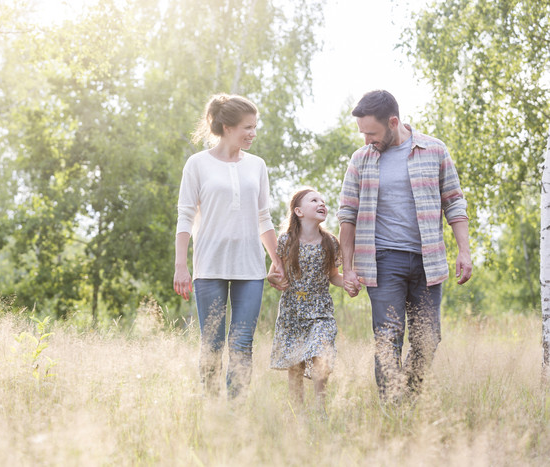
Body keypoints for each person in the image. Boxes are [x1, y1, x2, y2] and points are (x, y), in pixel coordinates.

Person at [337, 90, 472, 402]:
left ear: (393, 122)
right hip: (383, 261)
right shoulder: (361, 160)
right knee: (388, 336)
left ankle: (407, 397)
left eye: (371, 132)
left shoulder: (434, 150)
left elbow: (454, 202)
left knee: (429, 338)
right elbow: (348, 214)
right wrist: (348, 267)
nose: (366, 139)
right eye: (362, 132)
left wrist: (464, 250)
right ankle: (390, 409)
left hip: (429, 260)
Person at [174, 93, 284, 399]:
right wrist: (181, 266)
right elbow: (184, 217)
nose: (253, 133)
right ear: (226, 127)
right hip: (209, 266)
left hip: (250, 267)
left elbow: (264, 217)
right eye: (247, 127)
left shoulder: (257, 165)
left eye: (255, 127)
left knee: (243, 341)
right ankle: (212, 409)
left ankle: (236, 412)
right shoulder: (197, 164)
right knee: (212, 343)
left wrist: (277, 260)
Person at [267, 188, 356, 413]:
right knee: (295, 364)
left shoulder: (330, 242)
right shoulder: (286, 241)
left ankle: (320, 406)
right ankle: (297, 412)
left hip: (320, 309)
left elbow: (333, 275)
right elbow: (274, 272)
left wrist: (347, 282)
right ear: (298, 211)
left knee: (320, 353)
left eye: (323, 201)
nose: (321, 203)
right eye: (314, 200)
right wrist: (273, 278)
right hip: (292, 310)